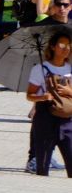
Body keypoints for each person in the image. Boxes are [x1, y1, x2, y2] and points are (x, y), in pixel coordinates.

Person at [26, 29, 72, 176]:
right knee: (43, 167)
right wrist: (43, 97)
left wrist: (69, 92)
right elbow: (29, 95)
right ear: (52, 47)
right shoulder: (40, 69)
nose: (66, 49)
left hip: (67, 120)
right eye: (62, 45)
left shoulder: (70, 68)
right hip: (45, 119)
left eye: (69, 45)